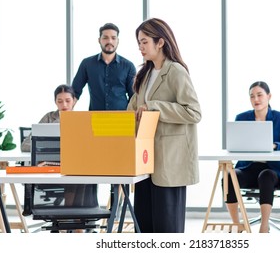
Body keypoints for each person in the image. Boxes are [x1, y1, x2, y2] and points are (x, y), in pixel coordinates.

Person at [127, 18, 202, 233]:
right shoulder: (145, 74)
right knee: (144, 227)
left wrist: (155, 108)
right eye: (139, 43)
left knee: (167, 230)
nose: (140, 47)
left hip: (170, 162)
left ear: (160, 42)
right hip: (145, 162)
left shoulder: (176, 71)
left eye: (144, 42)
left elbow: (194, 112)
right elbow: (132, 110)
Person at [21, 84, 96, 232]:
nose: (64, 105)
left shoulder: (83, 118)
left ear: (74, 100)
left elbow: (91, 145)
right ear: (55, 101)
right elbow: (25, 145)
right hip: (51, 167)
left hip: (74, 166)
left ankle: (74, 224)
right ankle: (70, 224)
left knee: (80, 179)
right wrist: (48, 147)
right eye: (60, 101)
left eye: (68, 100)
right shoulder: (49, 118)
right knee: (75, 180)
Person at [224, 81, 280, 233]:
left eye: (259, 95)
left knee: (265, 175)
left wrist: (275, 145)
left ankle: (264, 226)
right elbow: (235, 143)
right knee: (229, 176)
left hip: (272, 170)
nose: (256, 99)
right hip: (248, 167)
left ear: (269, 96)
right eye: (252, 96)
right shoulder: (242, 118)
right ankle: (237, 224)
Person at [71, 23, 136, 111]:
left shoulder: (128, 66)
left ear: (118, 41)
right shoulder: (87, 64)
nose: (109, 41)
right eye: (105, 38)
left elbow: (134, 96)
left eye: (113, 38)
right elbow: (75, 92)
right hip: (95, 118)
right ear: (99, 40)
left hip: (121, 119)